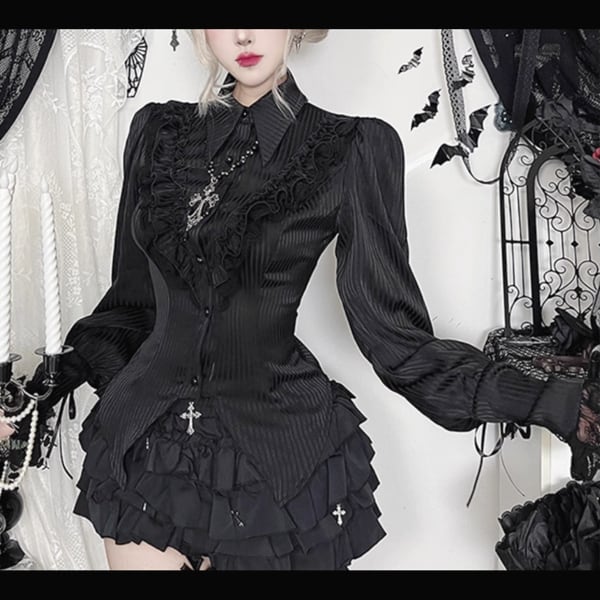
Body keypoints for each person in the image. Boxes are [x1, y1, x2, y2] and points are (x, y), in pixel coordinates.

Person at [1, 28, 600, 571]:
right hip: (146, 450)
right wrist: (45, 385)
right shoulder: (157, 133)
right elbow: (131, 306)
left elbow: (394, 338)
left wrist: (554, 402)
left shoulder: (351, 147)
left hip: (278, 461)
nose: (243, 34)